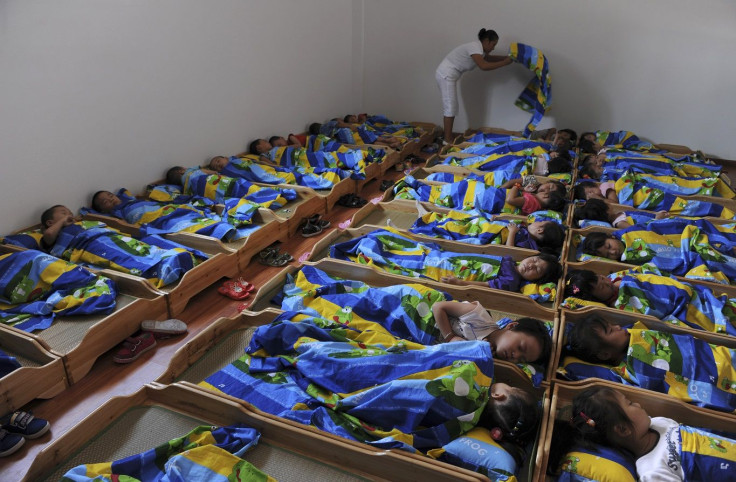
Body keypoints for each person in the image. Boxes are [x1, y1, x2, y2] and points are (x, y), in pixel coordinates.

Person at [554, 386, 736, 481]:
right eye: (630, 404)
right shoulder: (651, 471)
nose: (639, 405)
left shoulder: (659, 423)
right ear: (623, 429)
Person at [435, 28, 513, 144]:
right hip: (445, 74)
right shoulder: (475, 46)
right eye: (493, 44)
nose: (493, 48)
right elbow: (484, 66)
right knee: (450, 107)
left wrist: (508, 58)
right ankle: (447, 140)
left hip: (449, 75)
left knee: (452, 107)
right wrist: (505, 62)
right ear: (486, 41)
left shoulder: (479, 50)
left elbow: (488, 58)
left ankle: (448, 137)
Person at [431, 300, 551, 364]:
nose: (516, 356)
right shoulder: (478, 316)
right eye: (520, 347)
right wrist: (450, 337)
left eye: (521, 360)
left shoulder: (489, 359)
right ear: (512, 326)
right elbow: (438, 307)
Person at [440, 253, 561, 292]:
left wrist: (459, 283)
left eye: (537, 270)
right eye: (534, 260)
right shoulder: (512, 262)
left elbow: (486, 286)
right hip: (463, 260)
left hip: (465, 273)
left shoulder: (511, 281)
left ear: (537, 280)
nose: (530, 265)